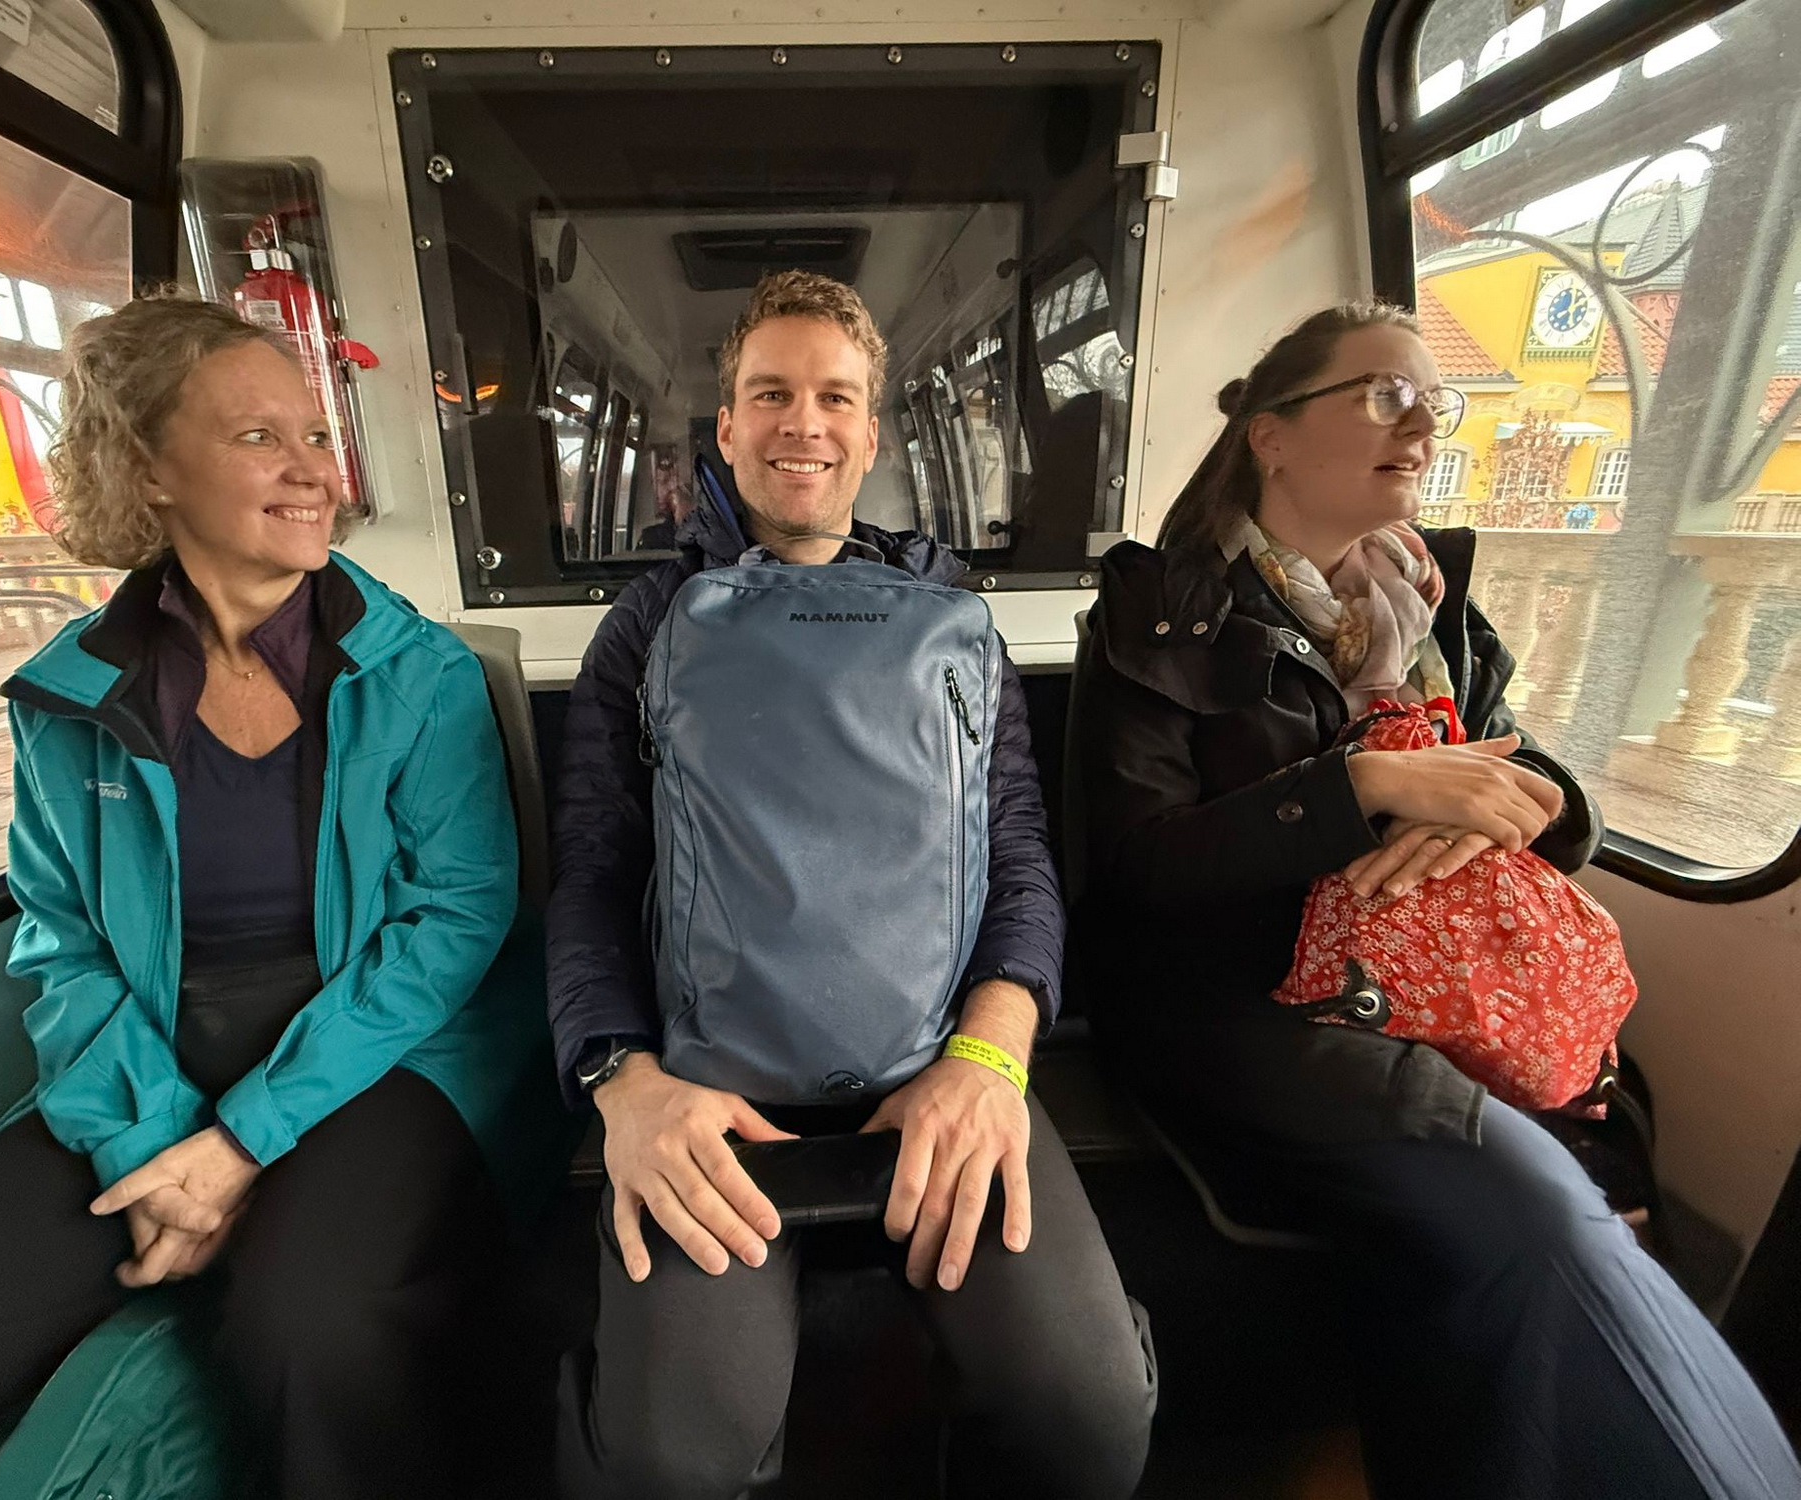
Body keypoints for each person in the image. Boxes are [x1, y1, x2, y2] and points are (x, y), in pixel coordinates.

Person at [0, 295, 557, 1499]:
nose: (311, 469)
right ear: (147, 469)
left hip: (380, 1043)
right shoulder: (68, 700)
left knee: (309, 1326)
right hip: (149, 1045)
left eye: (315, 435)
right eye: (258, 437)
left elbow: (454, 920)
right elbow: (64, 946)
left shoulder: (415, 674)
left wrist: (240, 1142)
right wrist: (153, 1143)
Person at [1072, 299, 1801, 1499]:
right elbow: (1137, 872)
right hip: (1242, 999)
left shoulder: (1427, 605)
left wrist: (1509, 809)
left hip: (1426, 982)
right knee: (1530, 1201)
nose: (1419, 425)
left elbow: (1535, 777)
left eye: (1432, 401)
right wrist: (1361, 785)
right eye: (1383, 395)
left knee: (1604, 1140)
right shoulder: (1159, 616)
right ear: (1269, 434)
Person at [547, 270, 1151, 1500]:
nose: (802, 424)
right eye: (769, 394)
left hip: (939, 1062)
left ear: (872, 435)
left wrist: (989, 1059)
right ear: (726, 427)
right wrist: (624, 1082)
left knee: (1087, 1413)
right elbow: (594, 878)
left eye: (833, 398)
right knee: (671, 1460)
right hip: (708, 1085)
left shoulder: (952, 625)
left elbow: (1018, 864)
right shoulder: (646, 627)